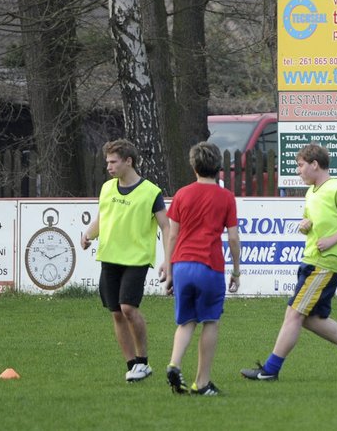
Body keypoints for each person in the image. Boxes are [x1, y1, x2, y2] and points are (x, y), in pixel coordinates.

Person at [240, 143, 337, 381]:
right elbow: (311, 220)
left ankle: (270, 370)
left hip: (327, 263)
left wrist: (332, 239)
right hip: (313, 260)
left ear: (315, 164)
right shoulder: (312, 192)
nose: (298, 171)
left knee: (293, 314)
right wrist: (305, 225)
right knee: (311, 319)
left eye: (300, 165)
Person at [81, 139, 170, 383]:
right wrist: (89, 234)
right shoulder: (107, 188)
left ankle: (143, 361)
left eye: (113, 162)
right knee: (116, 313)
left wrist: (168, 260)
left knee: (129, 308)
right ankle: (132, 365)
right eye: (107, 162)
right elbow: (102, 218)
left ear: (128, 161)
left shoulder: (151, 192)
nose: (108, 167)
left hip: (136, 259)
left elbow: (166, 227)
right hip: (109, 258)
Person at [162, 142, 241, 396]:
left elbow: (172, 236)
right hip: (210, 265)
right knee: (210, 321)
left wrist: (171, 269)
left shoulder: (182, 194)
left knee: (186, 321)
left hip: (183, 264)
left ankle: (174, 364)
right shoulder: (226, 197)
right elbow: (233, 238)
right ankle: (202, 382)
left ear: (194, 166)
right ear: (218, 167)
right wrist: (236, 271)